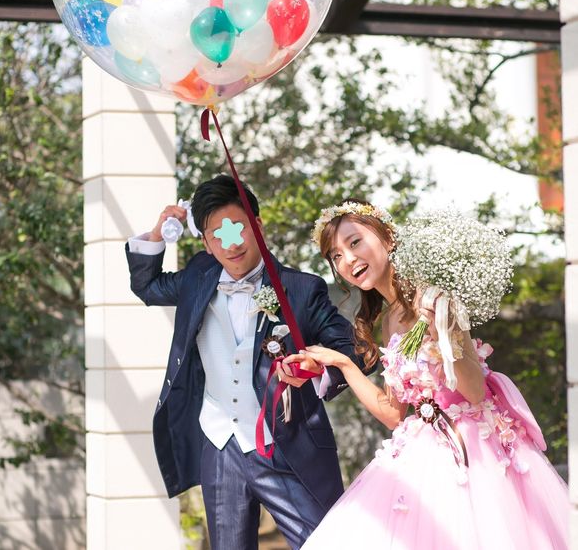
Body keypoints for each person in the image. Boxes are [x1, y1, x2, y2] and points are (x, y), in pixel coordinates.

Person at [283, 200, 569, 550]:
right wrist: (343, 364)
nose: (348, 259)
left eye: (355, 242)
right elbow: (393, 413)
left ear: (388, 238)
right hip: (422, 450)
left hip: (474, 448)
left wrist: (441, 332)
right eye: (336, 255)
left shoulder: (436, 298)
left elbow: (474, 390)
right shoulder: (387, 320)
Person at [125, 175, 360, 550]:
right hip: (220, 445)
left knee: (324, 543)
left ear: (257, 226)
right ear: (205, 243)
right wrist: (158, 233)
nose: (230, 244)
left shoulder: (301, 288)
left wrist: (317, 368)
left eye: (237, 229)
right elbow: (147, 286)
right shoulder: (197, 278)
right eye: (217, 235)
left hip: (287, 446)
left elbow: (352, 348)